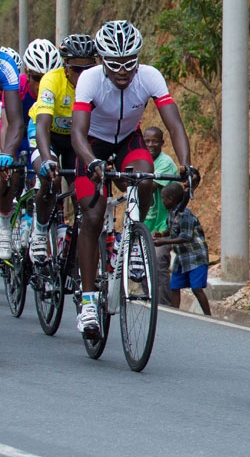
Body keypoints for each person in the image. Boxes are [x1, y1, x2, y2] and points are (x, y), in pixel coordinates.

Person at [71, 20, 196, 339]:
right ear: (102, 60)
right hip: (93, 144)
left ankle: (136, 235)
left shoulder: (150, 76)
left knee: (143, 178)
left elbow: (175, 125)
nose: (123, 71)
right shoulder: (89, 79)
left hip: (129, 140)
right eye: (114, 64)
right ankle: (88, 303)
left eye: (129, 63)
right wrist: (91, 161)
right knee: (94, 215)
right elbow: (77, 133)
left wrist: (186, 164)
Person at [28, 34, 97, 262]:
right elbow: (43, 125)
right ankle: (39, 230)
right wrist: (47, 159)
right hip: (48, 135)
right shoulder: (51, 80)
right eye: (77, 69)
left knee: (86, 194)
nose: (83, 75)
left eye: (89, 69)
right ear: (65, 66)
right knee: (51, 178)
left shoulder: (97, 81)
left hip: (75, 141)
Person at [154, 181, 210, 315]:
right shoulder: (172, 213)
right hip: (182, 257)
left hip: (195, 256)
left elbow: (185, 236)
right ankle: (174, 314)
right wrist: (161, 234)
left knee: (196, 288)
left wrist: (163, 242)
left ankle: (208, 315)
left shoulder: (185, 214)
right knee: (175, 286)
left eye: (163, 199)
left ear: (171, 199)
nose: (162, 202)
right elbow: (172, 229)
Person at [144, 126, 179, 305]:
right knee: (141, 266)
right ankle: (148, 302)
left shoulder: (166, 163)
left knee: (158, 264)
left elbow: (150, 186)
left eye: (155, 141)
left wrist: (133, 177)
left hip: (162, 228)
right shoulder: (141, 161)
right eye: (147, 141)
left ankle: (164, 307)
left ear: (162, 143)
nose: (151, 145)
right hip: (143, 226)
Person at [0, 47, 26, 260]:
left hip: (5, 122)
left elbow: (13, 121)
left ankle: (4, 217)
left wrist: (6, 154)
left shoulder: (5, 65)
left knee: (9, 166)